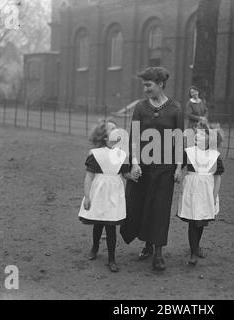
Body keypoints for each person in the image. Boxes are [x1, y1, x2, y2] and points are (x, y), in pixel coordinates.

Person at [120, 67, 184, 271]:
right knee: (141, 204)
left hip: (165, 168)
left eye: (148, 85)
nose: (145, 89)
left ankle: (158, 253)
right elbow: (135, 137)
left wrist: (179, 167)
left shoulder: (175, 109)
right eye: (144, 85)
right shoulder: (140, 108)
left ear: (160, 84)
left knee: (160, 209)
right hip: (144, 167)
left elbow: (180, 140)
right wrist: (136, 162)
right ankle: (146, 243)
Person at [78, 119, 136, 272]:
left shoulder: (121, 154)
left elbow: (125, 174)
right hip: (99, 192)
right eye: (112, 129)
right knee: (99, 223)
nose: (117, 131)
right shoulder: (96, 154)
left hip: (115, 193)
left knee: (111, 226)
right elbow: (89, 177)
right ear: (105, 137)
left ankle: (112, 258)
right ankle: (95, 247)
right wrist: (87, 196)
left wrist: (133, 176)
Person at [177, 121, 224, 266]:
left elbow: (218, 177)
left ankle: (196, 247)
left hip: (207, 190)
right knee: (193, 221)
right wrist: (178, 170)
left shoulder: (214, 155)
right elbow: (179, 162)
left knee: (201, 221)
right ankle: (192, 253)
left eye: (201, 134)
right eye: (195, 133)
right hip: (192, 189)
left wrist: (215, 194)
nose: (197, 136)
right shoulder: (189, 152)